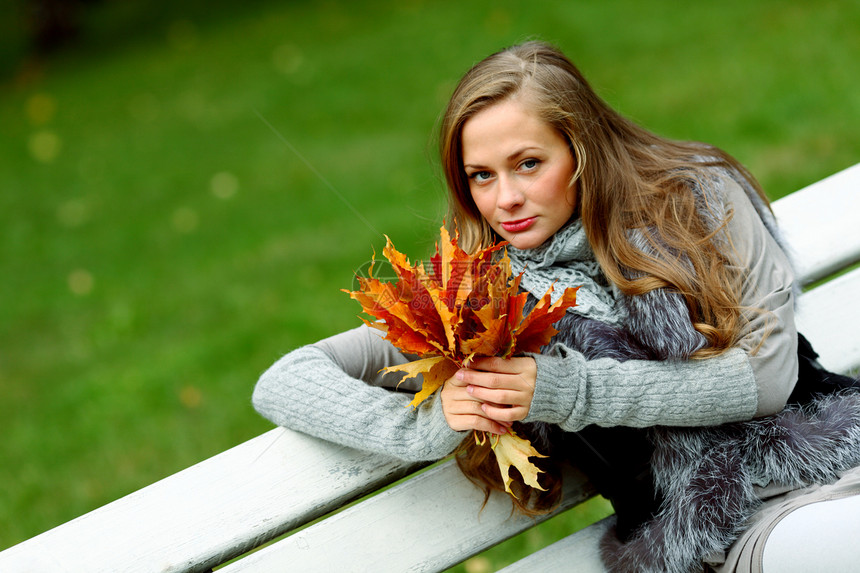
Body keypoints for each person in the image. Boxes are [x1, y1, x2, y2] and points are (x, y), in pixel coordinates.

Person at [253, 41, 860, 572]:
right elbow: (285, 380)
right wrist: (430, 424)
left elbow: (764, 378)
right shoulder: (479, 305)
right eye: (480, 177)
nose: (506, 199)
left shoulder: (694, 194)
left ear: (582, 149)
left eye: (528, 164)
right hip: (733, 532)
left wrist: (567, 390)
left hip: (840, 450)